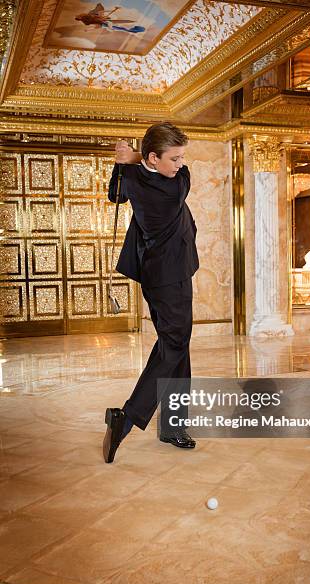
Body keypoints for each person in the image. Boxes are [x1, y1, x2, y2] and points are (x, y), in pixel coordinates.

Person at [103, 122, 199, 463]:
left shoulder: (135, 175)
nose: (180, 165)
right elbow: (180, 175)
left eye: (181, 158)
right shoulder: (176, 188)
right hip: (171, 277)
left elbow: (115, 194)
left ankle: (174, 425)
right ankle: (127, 418)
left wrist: (127, 161)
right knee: (174, 344)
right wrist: (132, 157)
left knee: (177, 345)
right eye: (174, 159)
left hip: (156, 275)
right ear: (154, 158)